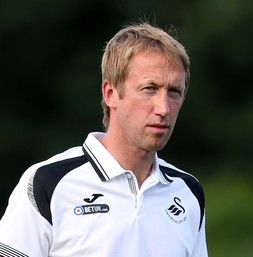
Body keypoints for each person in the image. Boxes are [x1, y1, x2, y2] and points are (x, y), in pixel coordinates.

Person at [0, 22, 208, 257]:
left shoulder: (188, 192)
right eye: (149, 88)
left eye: (174, 92)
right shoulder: (47, 182)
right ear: (110, 94)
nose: (163, 108)